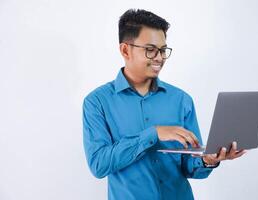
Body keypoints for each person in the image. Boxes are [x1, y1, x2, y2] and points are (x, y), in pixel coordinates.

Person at [82, 9, 246, 200]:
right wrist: (153, 133)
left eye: (162, 50)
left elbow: (190, 167)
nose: (159, 58)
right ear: (125, 50)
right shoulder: (97, 102)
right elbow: (99, 165)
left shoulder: (181, 99)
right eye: (150, 50)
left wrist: (208, 160)